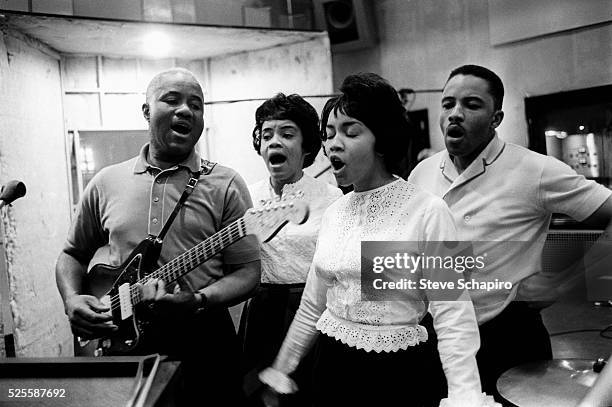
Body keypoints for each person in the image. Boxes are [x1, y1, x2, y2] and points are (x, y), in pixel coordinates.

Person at [259, 73, 498, 407]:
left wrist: (465, 395)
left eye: (350, 131)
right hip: (331, 367)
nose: (333, 144)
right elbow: (313, 304)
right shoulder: (335, 212)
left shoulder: (428, 211)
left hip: (397, 373)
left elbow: (453, 312)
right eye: (328, 135)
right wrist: (281, 370)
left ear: (382, 138)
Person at [55, 67, 261, 406]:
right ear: (147, 111)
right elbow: (72, 254)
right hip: (122, 342)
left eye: (196, 105)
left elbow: (248, 273)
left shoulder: (226, 183)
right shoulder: (107, 182)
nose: (185, 110)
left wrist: (198, 300)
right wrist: (72, 299)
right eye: (172, 100)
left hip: (204, 343)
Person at [408, 64, 612, 398]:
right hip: (434, 334)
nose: (455, 114)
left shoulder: (536, 170)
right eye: (448, 104)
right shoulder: (422, 172)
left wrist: (566, 283)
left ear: (496, 118)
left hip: (505, 335)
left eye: (472, 105)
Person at [239, 93, 342, 405]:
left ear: (306, 146)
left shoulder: (331, 197)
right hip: (260, 311)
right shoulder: (247, 197)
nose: (274, 142)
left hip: (312, 310)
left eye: (287, 134)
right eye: (267, 134)